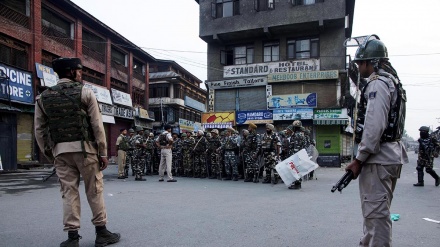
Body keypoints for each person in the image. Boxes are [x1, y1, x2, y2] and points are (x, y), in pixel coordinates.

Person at [34, 57, 120, 247]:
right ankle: (101, 232)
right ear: (71, 72)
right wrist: (103, 153)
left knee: (68, 193)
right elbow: (98, 126)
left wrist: (51, 153)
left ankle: (72, 237)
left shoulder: (43, 98)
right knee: (94, 191)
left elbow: (39, 131)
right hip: (86, 151)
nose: (81, 74)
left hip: (61, 153)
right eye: (79, 71)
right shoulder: (85, 93)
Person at [344, 36, 408, 247]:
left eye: (360, 63)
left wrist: (359, 159)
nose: (359, 67)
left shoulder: (378, 83)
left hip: (378, 159)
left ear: (371, 62)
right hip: (389, 156)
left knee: (376, 217)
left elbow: (373, 128)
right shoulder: (392, 81)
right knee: (376, 213)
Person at [287, 121, 306, 189]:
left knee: (295, 169)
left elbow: (295, 147)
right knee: (297, 169)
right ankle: (297, 183)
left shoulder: (296, 135)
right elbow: (304, 145)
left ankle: (297, 184)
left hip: (295, 155)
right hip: (299, 154)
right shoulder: (301, 135)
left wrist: (293, 156)